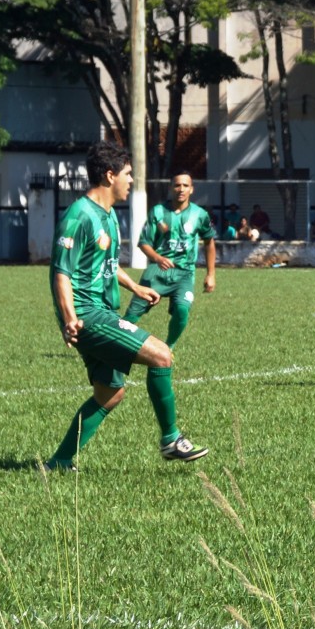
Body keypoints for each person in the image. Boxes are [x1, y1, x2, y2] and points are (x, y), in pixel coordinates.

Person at [44, 141, 208, 472]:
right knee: (161, 355)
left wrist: (134, 286)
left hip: (101, 310)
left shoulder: (107, 216)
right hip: (88, 315)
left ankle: (59, 462)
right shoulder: (79, 216)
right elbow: (60, 272)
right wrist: (70, 318)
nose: (131, 180)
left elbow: (104, 263)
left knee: (110, 394)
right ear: (109, 175)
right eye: (128, 174)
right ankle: (171, 440)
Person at [122, 170, 216, 349]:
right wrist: (157, 258)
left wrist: (211, 274)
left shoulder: (200, 214)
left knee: (182, 310)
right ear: (171, 187)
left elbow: (209, 242)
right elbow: (143, 243)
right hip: (157, 272)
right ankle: (109, 345)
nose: (181, 189)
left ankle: (168, 347)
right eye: (177, 185)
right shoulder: (158, 212)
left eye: (185, 185)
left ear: (192, 189)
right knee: (132, 315)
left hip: (184, 273)